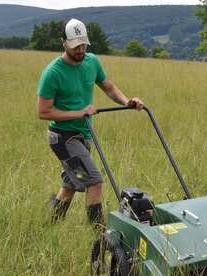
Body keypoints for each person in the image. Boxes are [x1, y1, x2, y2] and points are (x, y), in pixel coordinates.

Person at [36, 18, 143, 227]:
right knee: (95, 181)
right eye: (76, 45)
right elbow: (43, 112)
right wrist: (78, 112)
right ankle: (99, 236)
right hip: (63, 137)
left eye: (84, 44)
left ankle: (49, 227)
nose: (81, 49)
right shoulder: (53, 72)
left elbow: (109, 87)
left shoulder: (92, 61)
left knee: (70, 185)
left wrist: (126, 101)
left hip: (83, 134)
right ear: (64, 42)